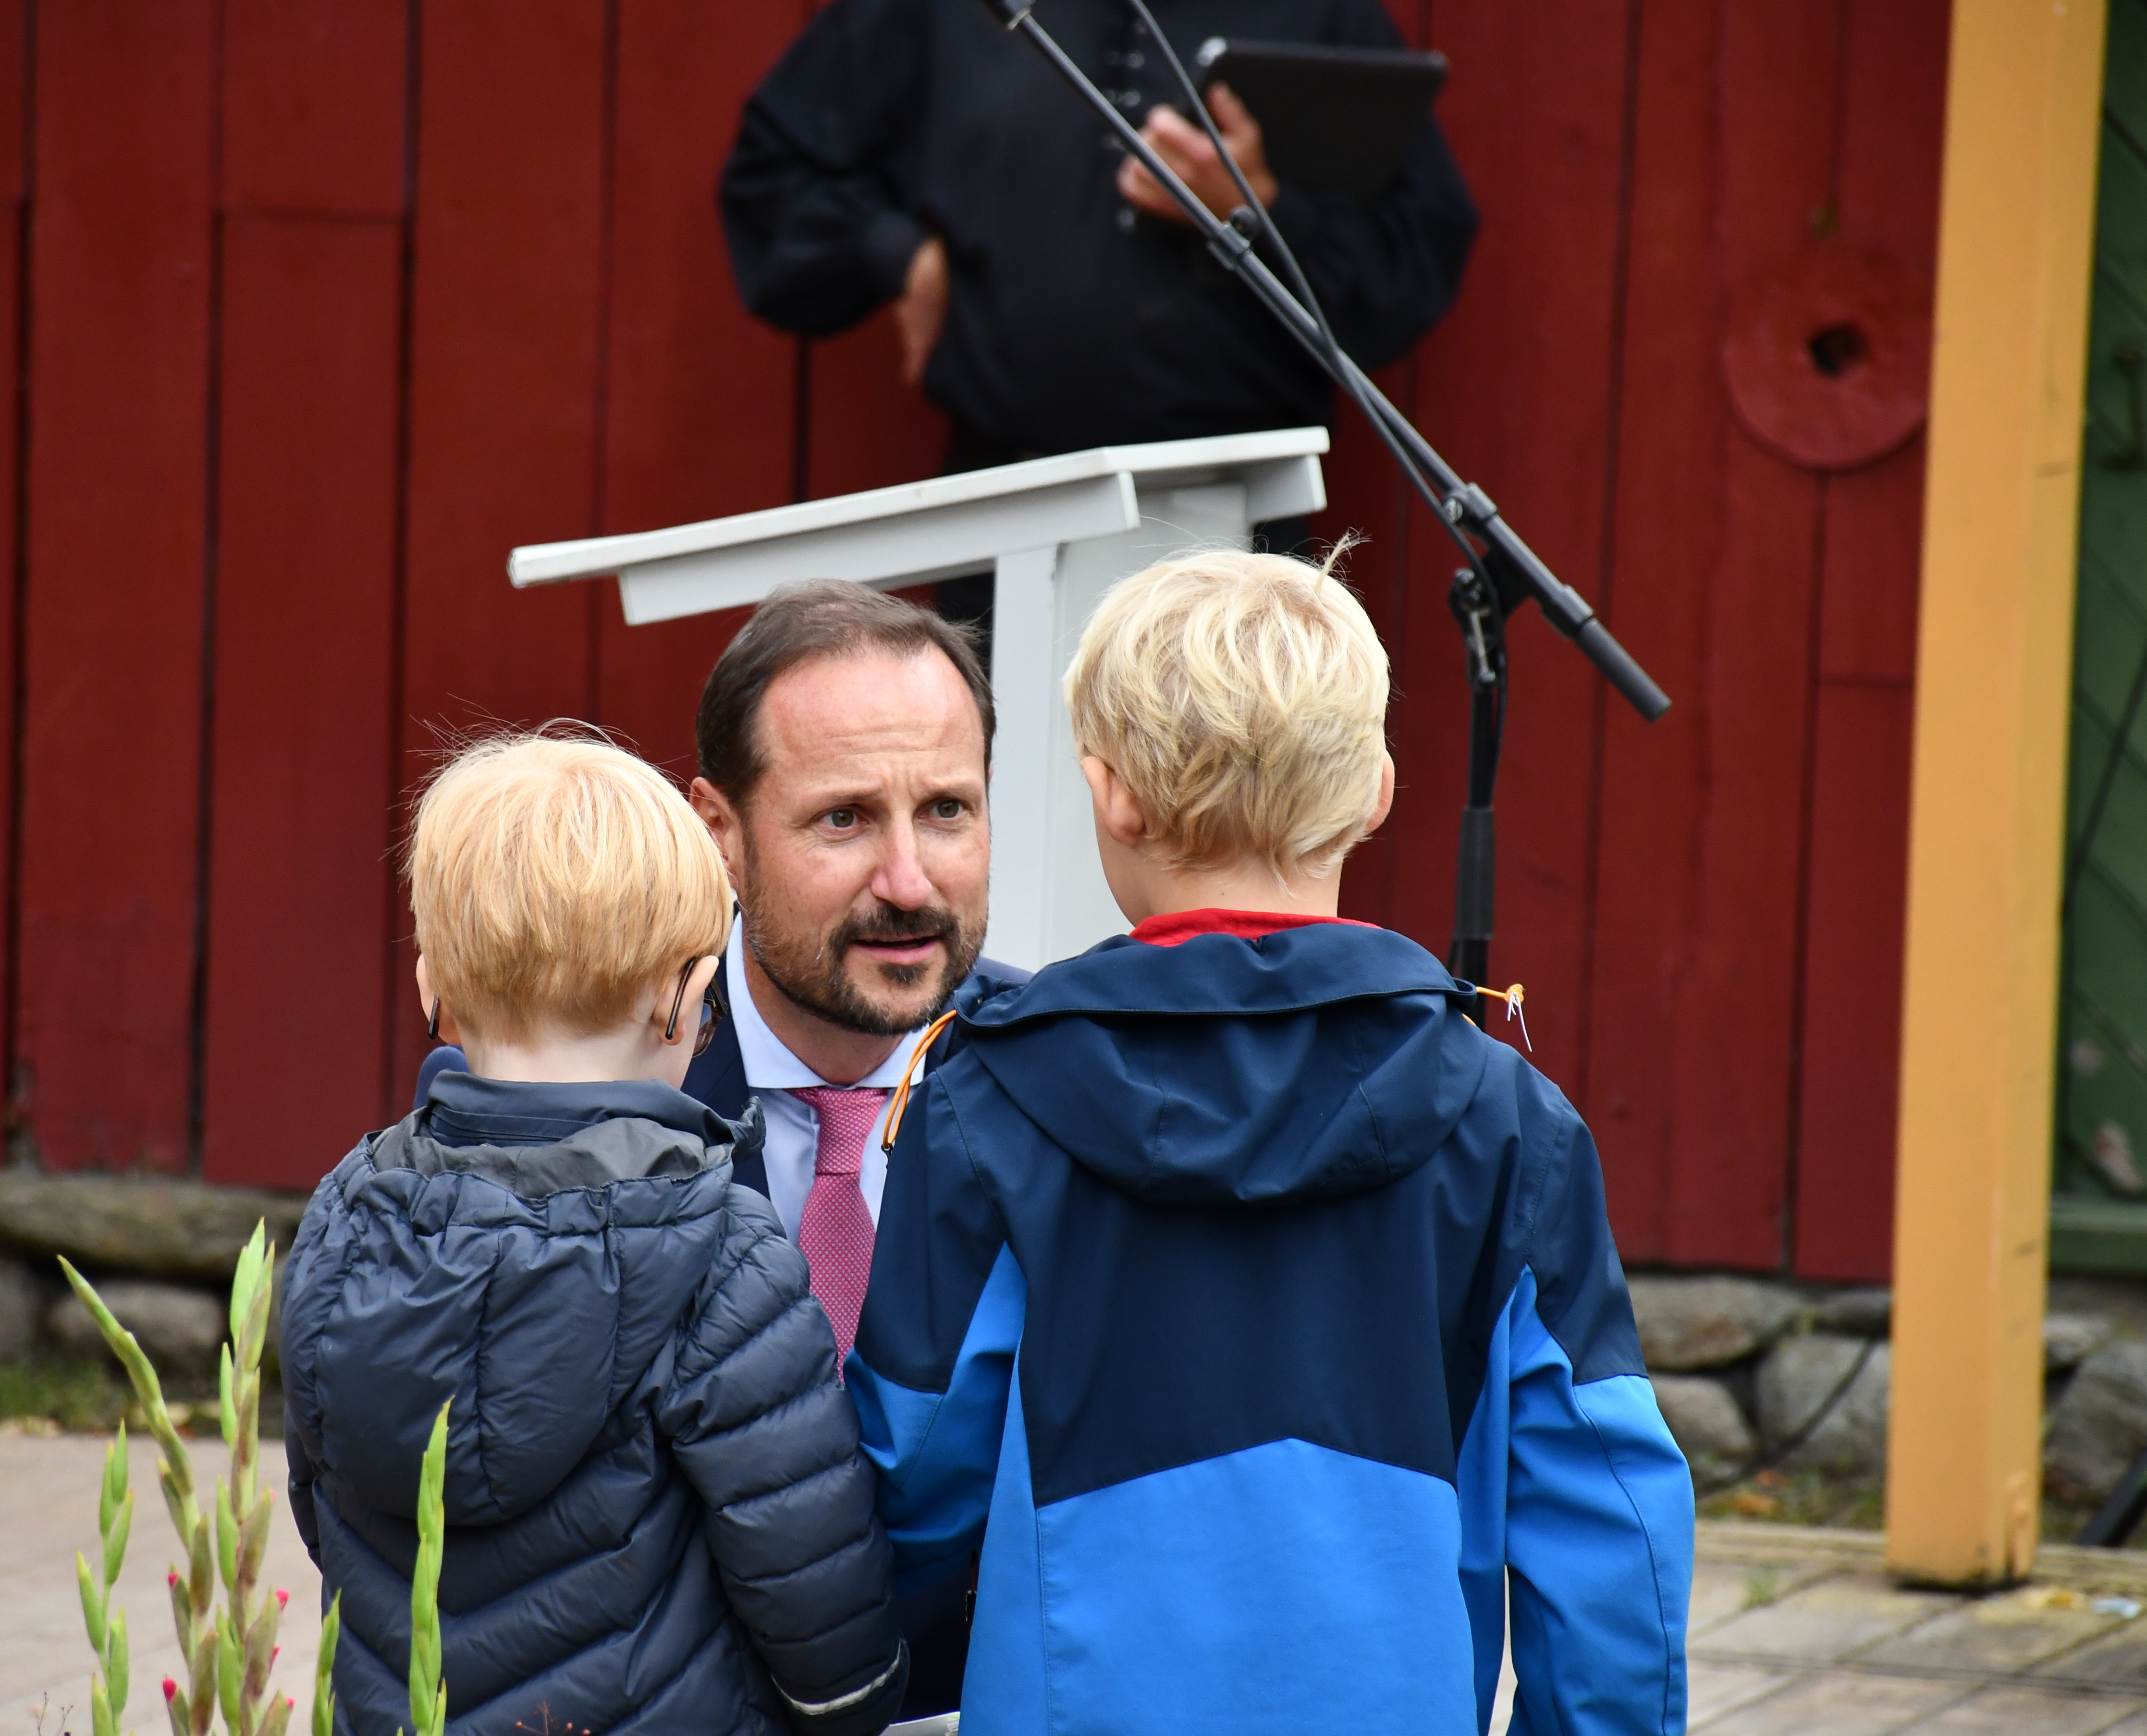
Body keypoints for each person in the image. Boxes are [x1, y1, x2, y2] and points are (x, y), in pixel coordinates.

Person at [847, 550, 1694, 1732]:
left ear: (1112, 793)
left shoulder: (988, 1098)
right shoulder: (1511, 1123)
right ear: (1378, 789)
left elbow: (916, 1469)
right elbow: (1610, 1513)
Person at [414, 581, 1022, 1717]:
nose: (908, 879)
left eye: (947, 809)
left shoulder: (1065, 1088)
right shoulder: (558, 1085)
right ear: (719, 832)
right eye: (843, 818)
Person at [280, 733, 909, 1736]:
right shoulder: (720, 1254)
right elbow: (804, 1564)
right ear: (684, 995)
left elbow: (322, 1500)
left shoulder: (345, 1220)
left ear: (431, 984)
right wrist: (860, 1699)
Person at [720, 0, 1478, 479]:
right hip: (1005, 502)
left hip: (1236, 519)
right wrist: (898, 256)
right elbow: (772, 170)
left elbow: (1417, 253)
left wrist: (1254, 211)